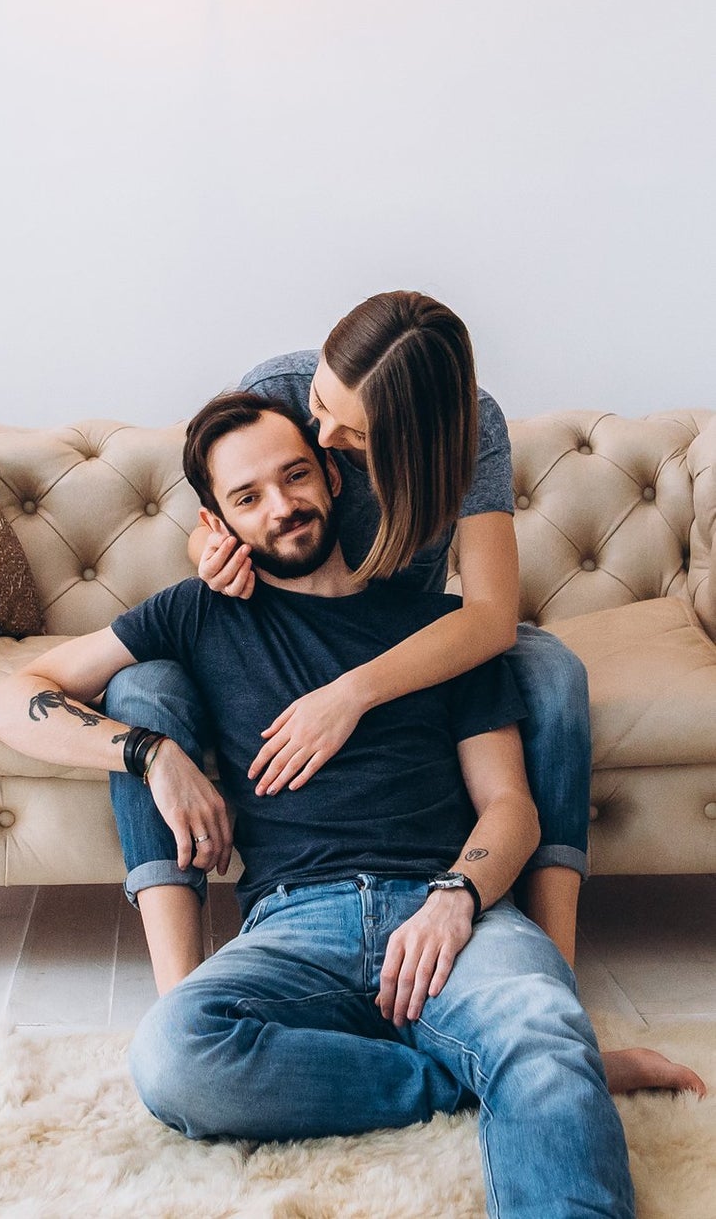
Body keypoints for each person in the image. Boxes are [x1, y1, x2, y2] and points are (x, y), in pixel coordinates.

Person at [0, 392, 648, 1219]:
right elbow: (5, 703)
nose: (281, 506)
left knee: (540, 1025)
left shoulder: (440, 625)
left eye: (295, 476)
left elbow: (511, 805)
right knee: (172, 1054)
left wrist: (455, 898)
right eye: (246, 497)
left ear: (331, 474)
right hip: (297, 923)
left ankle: (539, 1065)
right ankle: (478, 1075)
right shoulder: (196, 612)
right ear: (215, 520)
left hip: (448, 909)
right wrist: (149, 753)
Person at [104, 290, 697, 1096]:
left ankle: (551, 1005)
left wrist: (349, 694)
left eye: (349, 433)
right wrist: (207, 549)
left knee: (552, 671)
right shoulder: (280, 389)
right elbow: (219, 508)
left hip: (415, 637)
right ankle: (180, 998)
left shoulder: (470, 433)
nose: (322, 436)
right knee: (141, 688)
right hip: (278, 630)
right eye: (319, 407)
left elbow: (488, 616)